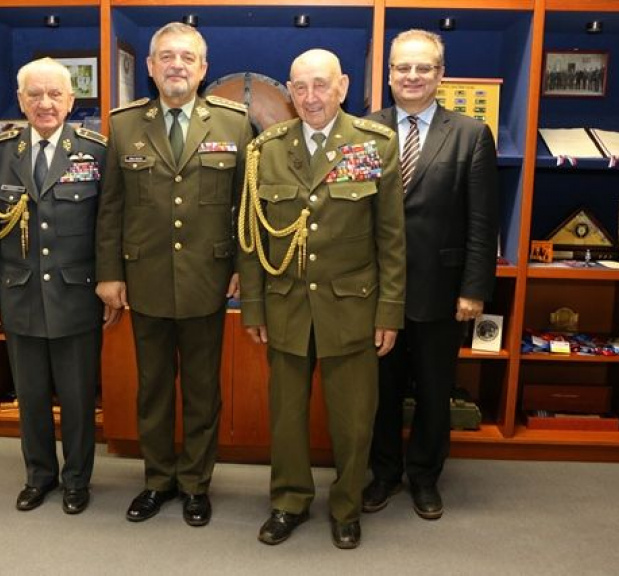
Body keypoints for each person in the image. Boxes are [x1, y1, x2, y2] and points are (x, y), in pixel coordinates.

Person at [238, 49, 406, 549]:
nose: (311, 97)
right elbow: (253, 239)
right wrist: (253, 306)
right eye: (301, 87)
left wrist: (389, 312)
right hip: (286, 305)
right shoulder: (266, 149)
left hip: (352, 307)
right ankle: (289, 501)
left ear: (343, 86)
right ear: (290, 92)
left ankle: (347, 505)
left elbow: (391, 239)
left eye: (321, 85)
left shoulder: (375, 144)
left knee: (354, 420)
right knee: (286, 417)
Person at [95, 22, 250, 528]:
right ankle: (158, 480)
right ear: (150, 66)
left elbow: (245, 207)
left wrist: (241, 268)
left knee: (203, 391)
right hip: (146, 279)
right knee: (153, 389)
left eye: (187, 57)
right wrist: (109, 274)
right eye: (166, 56)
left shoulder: (233, 123)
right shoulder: (123, 126)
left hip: (208, 277)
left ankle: (196, 484)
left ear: (203, 68)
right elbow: (111, 208)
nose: (176, 65)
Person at [363, 29, 499, 520]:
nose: (412, 76)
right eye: (403, 67)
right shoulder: (364, 130)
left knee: (434, 390)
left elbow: (483, 220)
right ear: (389, 74)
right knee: (379, 390)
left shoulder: (470, 134)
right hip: (375, 290)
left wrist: (474, 290)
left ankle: (424, 476)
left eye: (424, 67)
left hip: (441, 290)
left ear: (440, 75)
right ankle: (383, 473)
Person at [0, 57, 115, 515]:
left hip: (77, 296)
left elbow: (108, 226)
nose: (45, 103)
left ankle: (76, 480)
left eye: (55, 94)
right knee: (30, 397)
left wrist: (110, 283)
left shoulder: (96, 152)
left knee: (77, 398)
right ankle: (38, 476)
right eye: (35, 95)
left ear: (71, 100)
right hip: (20, 295)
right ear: (21, 101)